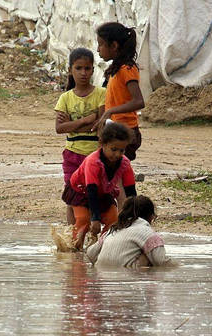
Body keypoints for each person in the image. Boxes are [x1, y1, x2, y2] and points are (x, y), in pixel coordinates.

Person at [64, 121, 138, 250]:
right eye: (113, 149)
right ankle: (75, 251)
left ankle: (102, 246)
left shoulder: (125, 163)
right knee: (83, 221)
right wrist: (95, 219)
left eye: (122, 150)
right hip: (81, 191)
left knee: (113, 220)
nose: (118, 154)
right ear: (102, 145)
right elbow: (91, 190)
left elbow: (131, 191)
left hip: (103, 193)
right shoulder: (93, 162)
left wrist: (134, 217)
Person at [55, 48, 107, 225]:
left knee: (97, 193)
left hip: (95, 154)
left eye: (87, 68)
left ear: (93, 70)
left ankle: (96, 230)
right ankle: (71, 236)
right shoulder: (65, 98)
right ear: (70, 70)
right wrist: (87, 119)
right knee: (72, 194)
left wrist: (74, 124)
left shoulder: (101, 93)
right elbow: (60, 128)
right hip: (72, 154)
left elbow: (99, 126)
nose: (83, 73)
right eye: (78, 68)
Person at [93, 22, 145, 161]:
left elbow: (138, 101)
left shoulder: (127, 69)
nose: (98, 49)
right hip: (115, 128)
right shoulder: (116, 69)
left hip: (126, 131)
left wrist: (111, 111)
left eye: (101, 44)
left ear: (114, 46)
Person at [86, 195, 174, 268]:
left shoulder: (112, 230)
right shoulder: (147, 233)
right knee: (148, 257)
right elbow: (163, 263)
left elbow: (90, 253)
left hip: (103, 280)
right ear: (151, 216)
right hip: (129, 275)